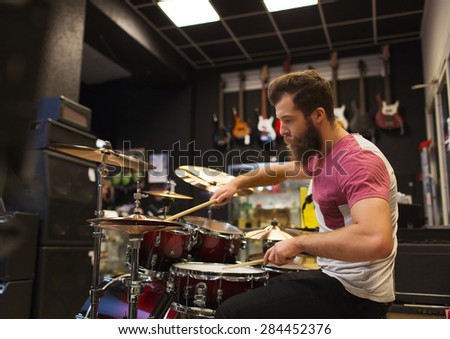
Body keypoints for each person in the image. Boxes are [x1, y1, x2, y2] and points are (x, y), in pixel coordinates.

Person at [210, 70, 398, 319]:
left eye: (288, 120)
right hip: (334, 278)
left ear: (318, 115)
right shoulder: (326, 152)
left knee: (230, 313)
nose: (282, 130)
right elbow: (284, 171)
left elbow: (376, 240)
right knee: (264, 287)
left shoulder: (358, 160)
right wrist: (238, 182)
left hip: (357, 295)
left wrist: (299, 243)